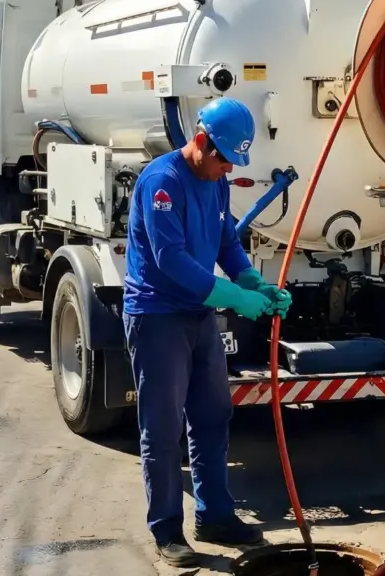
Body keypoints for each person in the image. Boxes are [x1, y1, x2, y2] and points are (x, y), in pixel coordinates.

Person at [122, 97, 292, 567]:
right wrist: (233, 297)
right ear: (200, 141)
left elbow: (225, 241)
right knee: (162, 428)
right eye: (223, 159)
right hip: (157, 316)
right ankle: (166, 530)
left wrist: (252, 281)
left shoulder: (215, 182)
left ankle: (215, 515)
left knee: (213, 416)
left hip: (198, 315)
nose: (227, 169)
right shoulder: (162, 182)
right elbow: (170, 259)